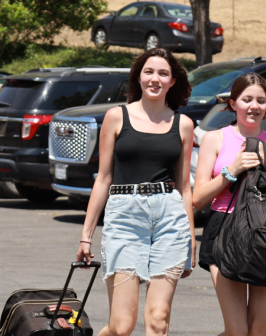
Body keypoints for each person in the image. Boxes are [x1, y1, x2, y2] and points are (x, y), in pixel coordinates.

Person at [76, 48, 196, 336]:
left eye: (163, 73)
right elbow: (103, 178)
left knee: (158, 320)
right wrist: (86, 235)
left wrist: (191, 238)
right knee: (122, 326)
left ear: (172, 81)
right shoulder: (116, 117)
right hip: (125, 218)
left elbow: (184, 187)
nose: (155, 78)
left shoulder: (184, 124)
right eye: (149, 72)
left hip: (170, 221)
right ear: (139, 77)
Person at [193, 72, 266, 335]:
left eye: (261, 100)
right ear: (233, 103)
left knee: (258, 329)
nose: (254, 106)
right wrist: (231, 170)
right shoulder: (215, 139)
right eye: (247, 99)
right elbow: (198, 198)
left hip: (264, 236)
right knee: (237, 330)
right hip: (224, 229)